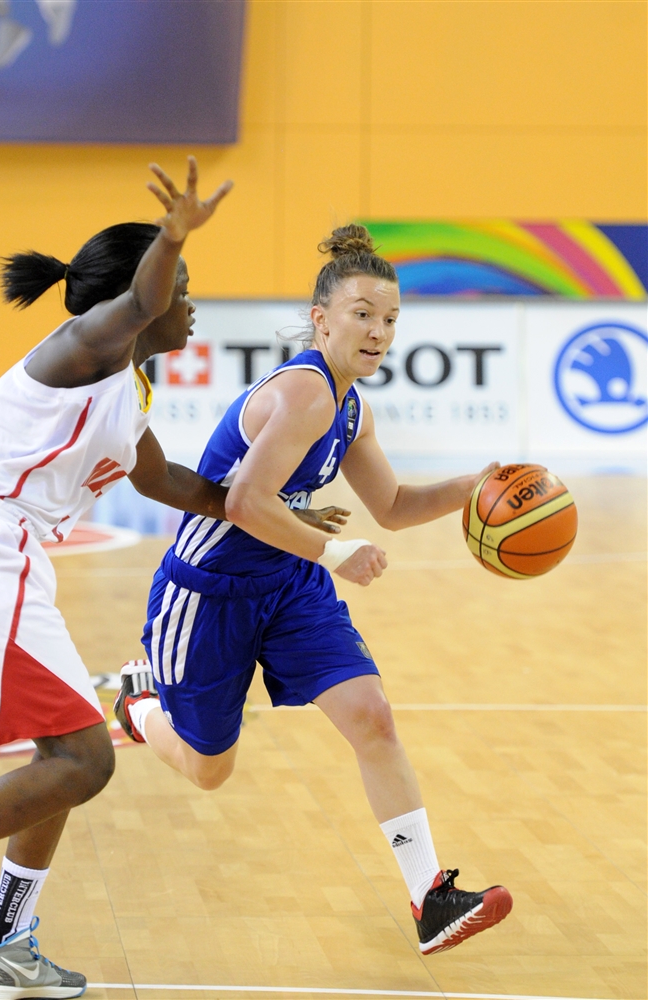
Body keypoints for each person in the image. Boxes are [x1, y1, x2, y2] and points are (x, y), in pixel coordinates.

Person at [0, 158, 345, 1000]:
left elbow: (170, 485)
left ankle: (6, 938)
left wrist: (279, 515)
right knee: (81, 759)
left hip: (15, 561)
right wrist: (174, 232)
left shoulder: (123, 387)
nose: (188, 304)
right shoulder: (82, 348)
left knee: (67, 748)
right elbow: (143, 302)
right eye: (183, 287)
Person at [115, 224, 513, 957]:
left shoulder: (351, 405)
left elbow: (391, 505)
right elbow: (243, 505)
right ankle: (141, 709)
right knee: (208, 771)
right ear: (321, 318)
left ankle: (430, 898)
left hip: (287, 583)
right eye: (362, 313)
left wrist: (472, 486)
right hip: (209, 592)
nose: (377, 331)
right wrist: (333, 551)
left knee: (371, 715)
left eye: (390, 318)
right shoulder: (303, 391)